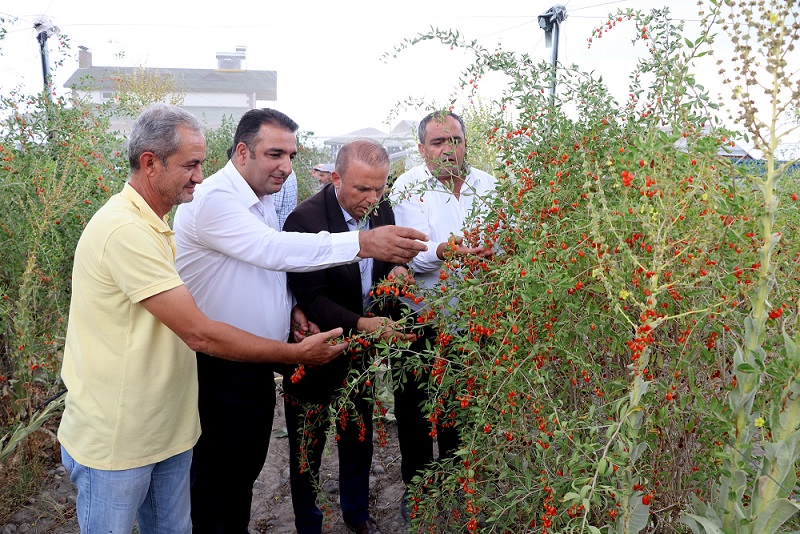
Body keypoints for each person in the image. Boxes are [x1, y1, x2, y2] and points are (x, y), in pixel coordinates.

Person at [57, 103, 348, 533]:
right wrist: (292, 353)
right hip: (120, 437)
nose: (199, 175)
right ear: (150, 164)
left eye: (201, 164)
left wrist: (290, 311)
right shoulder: (125, 231)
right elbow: (199, 333)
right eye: (190, 165)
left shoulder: (154, 225)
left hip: (165, 425)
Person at [173, 108, 428, 532]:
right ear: (242, 151)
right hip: (221, 367)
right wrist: (363, 243)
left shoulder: (260, 201)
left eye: (291, 155)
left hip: (258, 361)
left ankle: (354, 514)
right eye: (276, 154)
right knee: (222, 481)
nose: (286, 167)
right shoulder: (215, 200)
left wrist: (290, 309)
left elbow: (267, 270)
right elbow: (275, 251)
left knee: (238, 479)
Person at [281, 139, 414, 534]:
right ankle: (309, 523)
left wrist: (397, 273)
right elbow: (311, 297)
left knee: (357, 435)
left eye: (380, 187)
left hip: (362, 352)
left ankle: (357, 515)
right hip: (315, 347)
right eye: (362, 189)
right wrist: (362, 325)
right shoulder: (304, 220)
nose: (372, 198)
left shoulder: (381, 211)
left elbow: (392, 261)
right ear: (336, 177)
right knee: (308, 445)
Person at [388, 110, 496, 521]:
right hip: (420, 319)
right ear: (421, 149)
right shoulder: (408, 187)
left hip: (473, 320)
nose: (448, 150)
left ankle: (454, 483)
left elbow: (507, 238)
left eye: (455, 140)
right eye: (438, 143)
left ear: (466, 143)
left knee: (459, 406)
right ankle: (417, 489)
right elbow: (407, 253)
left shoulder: (489, 186)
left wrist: (496, 257)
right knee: (414, 408)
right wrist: (444, 252)